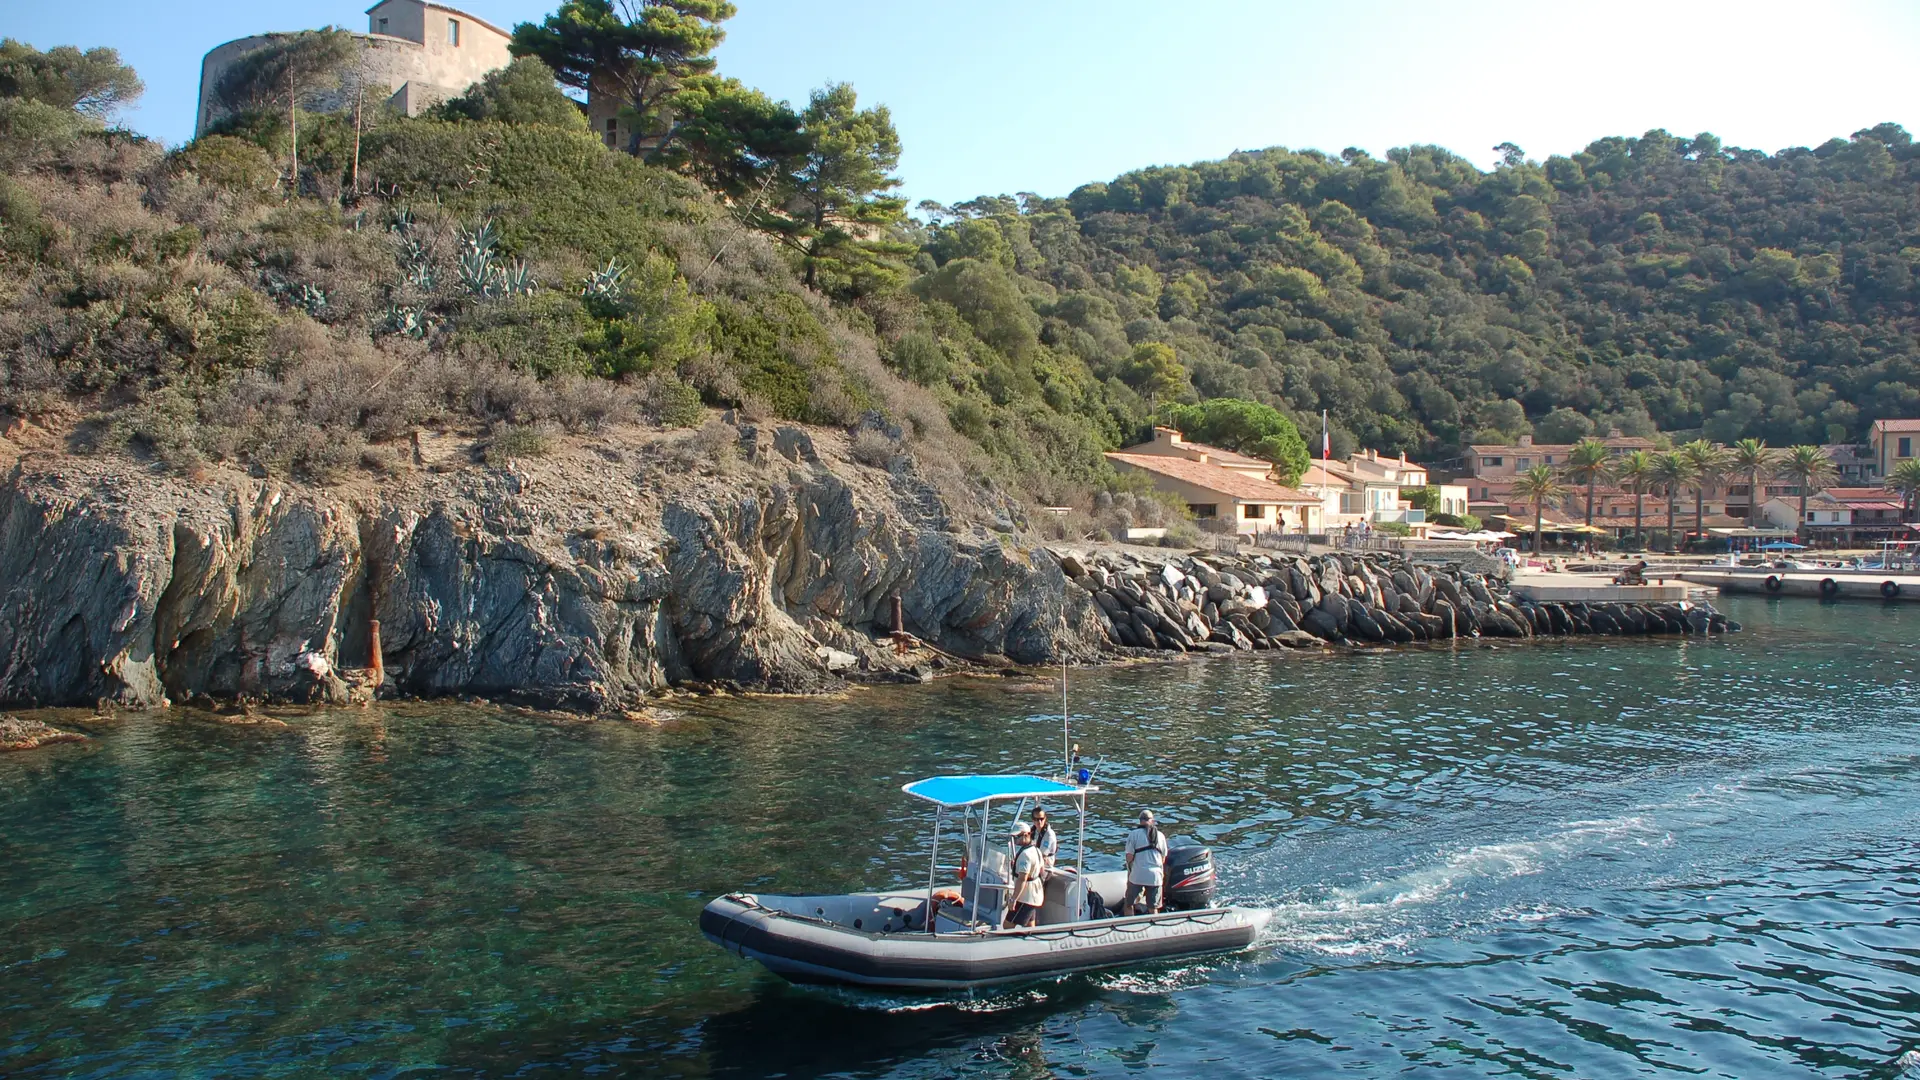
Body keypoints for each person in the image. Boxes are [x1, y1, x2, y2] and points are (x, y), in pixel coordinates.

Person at [1122, 809, 1169, 915]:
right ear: (1152, 820)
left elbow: (1129, 857)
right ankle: (1154, 928)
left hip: (1138, 875)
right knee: (1153, 907)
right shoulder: (1160, 836)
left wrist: (1130, 871)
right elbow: (1163, 859)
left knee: (1129, 904)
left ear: (1140, 821)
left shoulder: (1133, 835)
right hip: (1155, 877)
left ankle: (1130, 927)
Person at [1004, 822, 1045, 928]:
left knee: (1008, 925)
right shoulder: (1036, 850)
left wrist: (1014, 899)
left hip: (1026, 897)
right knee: (1030, 924)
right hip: (1035, 894)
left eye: (1017, 837)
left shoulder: (1025, 855)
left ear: (1027, 835)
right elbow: (1039, 869)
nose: (1015, 840)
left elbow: (1023, 879)